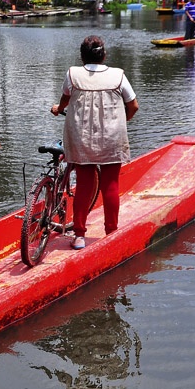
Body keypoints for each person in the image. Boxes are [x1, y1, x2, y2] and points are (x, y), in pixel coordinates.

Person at [50, 35, 139, 250]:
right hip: (112, 137)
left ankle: (79, 235)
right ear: (104, 55)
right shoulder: (118, 76)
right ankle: (111, 233)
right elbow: (133, 105)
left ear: (82, 56)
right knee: (111, 185)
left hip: (82, 139)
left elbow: (64, 101)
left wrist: (58, 110)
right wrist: (120, 122)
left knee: (83, 187)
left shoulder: (73, 74)